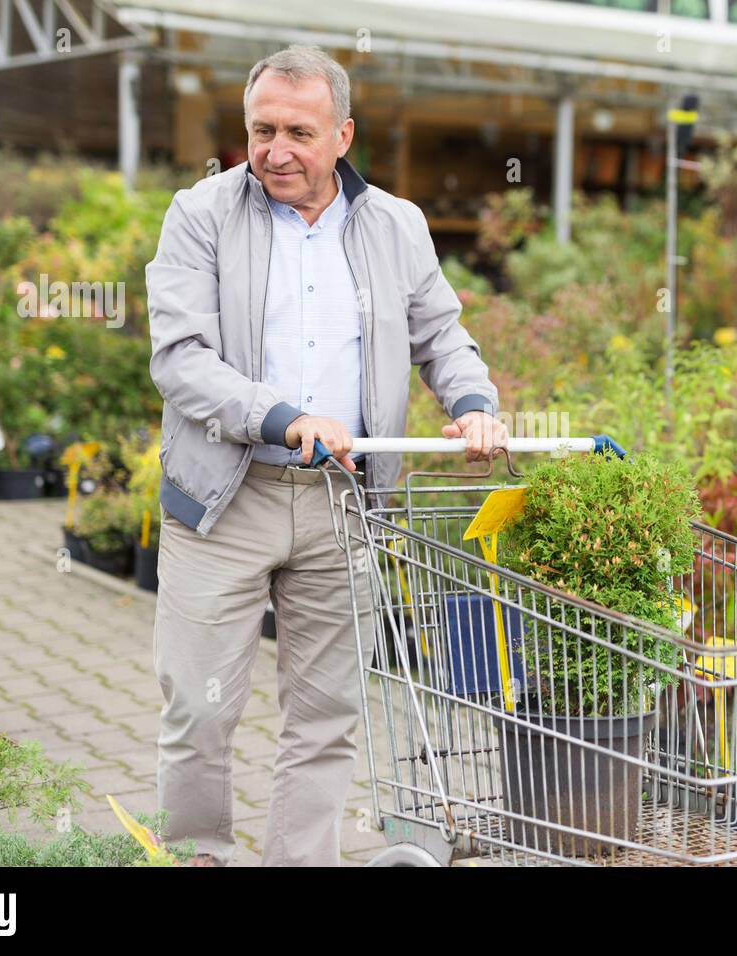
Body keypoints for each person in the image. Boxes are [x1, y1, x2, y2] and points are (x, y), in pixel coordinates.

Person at [146, 44, 507, 867]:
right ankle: (199, 853)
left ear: (342, 135)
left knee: (327, 712)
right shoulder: (199, 215)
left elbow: (441, 336)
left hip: (346, 503)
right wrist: (279, 417)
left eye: (298, 133)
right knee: (199, 708)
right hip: (224, 496)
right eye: (261, 129)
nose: (275, 151)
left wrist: (476, 406)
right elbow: (180, 356)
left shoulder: (397, 225)